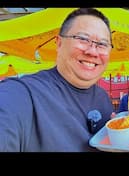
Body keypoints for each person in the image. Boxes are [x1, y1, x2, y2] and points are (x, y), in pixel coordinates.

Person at [0, 8, 114, 152]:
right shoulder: (22, 93)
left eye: (102, 44)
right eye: (83, 39)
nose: (92, 51)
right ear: (59, 44)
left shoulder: (102, 97)